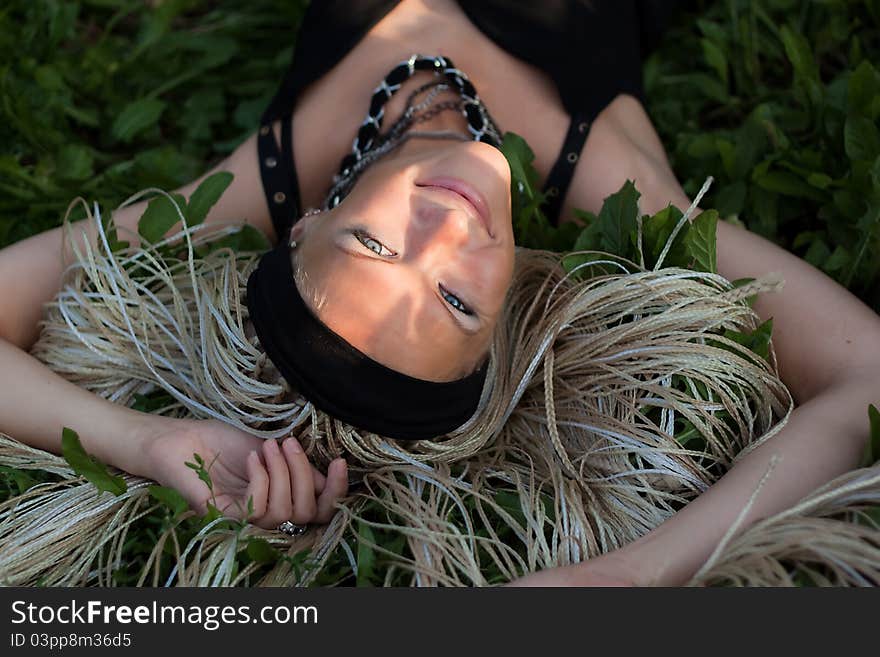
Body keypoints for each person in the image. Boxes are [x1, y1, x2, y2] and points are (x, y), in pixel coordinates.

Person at [1, 0, 878, 587]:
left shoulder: (266, 180)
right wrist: (620, 580)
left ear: (308, 222)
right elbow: (866, 376)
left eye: (374, 244)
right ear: (509, 312)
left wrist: (145, 439)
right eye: (459, 302)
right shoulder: (609, 179)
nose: (448, 233)